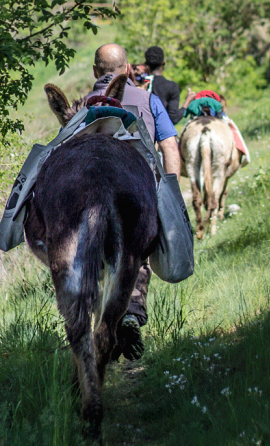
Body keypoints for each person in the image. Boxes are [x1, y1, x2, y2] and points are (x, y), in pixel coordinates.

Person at [85, 43, 180, 360]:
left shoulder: (83, 106)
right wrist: (171, 190)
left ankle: (103, 328)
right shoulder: (149, 99)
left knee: (96, 260)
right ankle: (129, 313)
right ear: (128, 70)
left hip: (90, 192)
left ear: (96, 72)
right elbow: (169, 145)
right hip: (141, 185)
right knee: (137, 255)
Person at [144, 45, 193, 125]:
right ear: (163, 63)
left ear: (146, 64)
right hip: (159, 135)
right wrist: (187, 101)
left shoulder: (137, 83)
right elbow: (173, 119)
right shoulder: (171, 87)